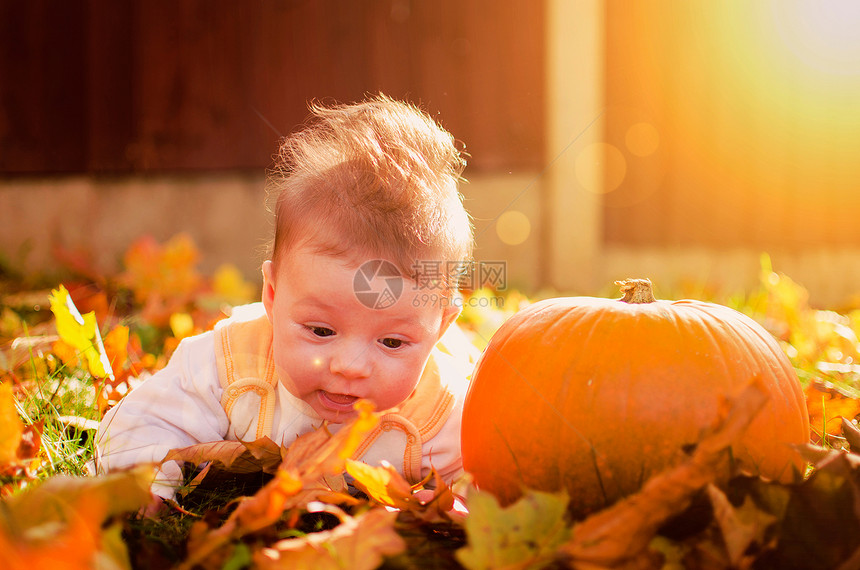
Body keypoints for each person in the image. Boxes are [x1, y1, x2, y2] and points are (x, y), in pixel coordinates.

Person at [95, 95, 477, 513]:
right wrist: (144, 486)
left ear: (438, 328)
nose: (349, 365)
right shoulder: (230, 365)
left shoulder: (442, 412)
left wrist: (456, 499)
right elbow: (144, 420)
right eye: (321, 331)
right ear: (272, 297)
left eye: (391, 342)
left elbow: (492, 469)